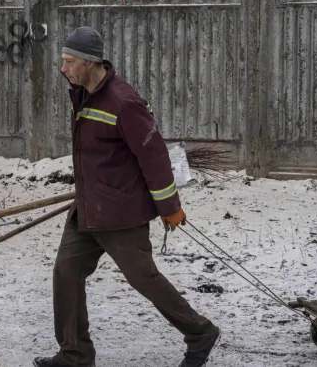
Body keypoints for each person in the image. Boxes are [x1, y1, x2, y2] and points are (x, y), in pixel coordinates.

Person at [34, 26, 221, 367]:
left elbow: (154, 156)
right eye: (63, 60)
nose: (63, 68)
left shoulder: (124, 102)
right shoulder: (82, 93)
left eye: (69, 61)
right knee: (66, 272)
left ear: (90, 63)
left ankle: (200, 332)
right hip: (89, 207)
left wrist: (170, 207)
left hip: (120, 212)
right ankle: (75, 354)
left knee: (143, 279)